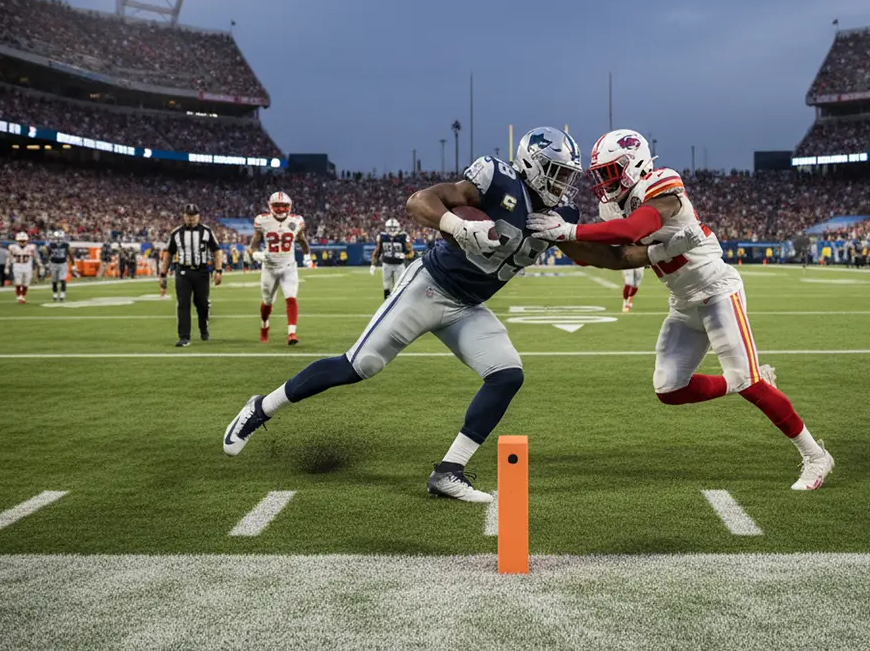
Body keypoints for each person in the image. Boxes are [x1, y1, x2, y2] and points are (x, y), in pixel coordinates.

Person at [222, 127, 701, 503]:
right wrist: (456, 225)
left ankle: (448, 471)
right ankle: (261, 409)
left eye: (566, 175)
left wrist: (662, 250)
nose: (562, 184)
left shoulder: (554, 217)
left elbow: (610, 258)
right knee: (359, 366)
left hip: (468, 307)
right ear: (531, 165)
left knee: (507, 374)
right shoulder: (497, 178)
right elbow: (420, 202)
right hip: (429, 288)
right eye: (555, 172)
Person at [530, 128, 834, 490]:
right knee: (669, 388)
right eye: (601, 175)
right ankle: (743, 381)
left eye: (611, 172)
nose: (604, 183)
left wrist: (572, 231)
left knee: (749, 384)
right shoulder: (610, 205)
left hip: (718, 292)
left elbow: (634, 229)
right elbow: (622, 256)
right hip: (683, 302)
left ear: (634, 164)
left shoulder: (662, 183)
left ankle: (816, 456)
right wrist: (561, 239)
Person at [249, 191, 310, 345]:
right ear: (271, 206)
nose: (281, 209)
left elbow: (302, 239)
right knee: (267, 302)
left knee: (291, 298)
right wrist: (256, 254)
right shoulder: (263, 221)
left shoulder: (296, 221)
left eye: (284, 206)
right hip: (269, 267)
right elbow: (253, 246)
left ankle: (292, 334)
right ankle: (264, 325)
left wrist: (307, 255)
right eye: (277, 205)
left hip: (289, 267)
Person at [160, 204, 223, 347]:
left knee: (202, 303)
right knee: (183, 304)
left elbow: (216, 251)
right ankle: (184, 337)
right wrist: (163, 274)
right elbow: (168, 254)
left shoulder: (207, 231)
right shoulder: (176, 233)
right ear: (184, 216)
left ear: (198, 216)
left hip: (201, 272)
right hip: (183, 272)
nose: (191, 218)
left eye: (194, 215)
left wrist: (218, 270)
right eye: (188, 215)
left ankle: (203, 326)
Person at [370, 217, 413, 300]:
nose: (392, 230)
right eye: (390, 228)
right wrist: (373, 264)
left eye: (394, 228)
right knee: (386, 286)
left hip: (399, 265)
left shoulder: (403, 237)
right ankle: (386, 305)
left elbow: (411, 253)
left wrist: (404, 256)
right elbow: (377, 252)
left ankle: (397, 305)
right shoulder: (382, 237)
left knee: (398, 287)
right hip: (386, 264)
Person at [7, 231, 37, 303]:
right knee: (18, 282)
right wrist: (6, 266)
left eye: (23, 241)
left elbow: (36, 257)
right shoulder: (12, 247)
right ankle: (20, 296)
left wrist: (40, 265)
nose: (22, 242)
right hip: (17, 266)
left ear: (27, 240)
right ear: (17, 241)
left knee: (26, 283)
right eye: (20, 241)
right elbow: (9, 257)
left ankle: (22, 296)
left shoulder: (31, 247)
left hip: (27, 266)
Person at [46, 230, 74, 301]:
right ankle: (55, 294)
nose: (58, 239)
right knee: (54, 280)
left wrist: (73, 264)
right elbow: (48, 254)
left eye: (60, 237)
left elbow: (70, 254)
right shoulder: (51, 245)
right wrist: (47, 262)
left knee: (62, 279)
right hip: (54, 263)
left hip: (63, 263)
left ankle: (62, 294)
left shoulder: (66, 245)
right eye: (57, 238)